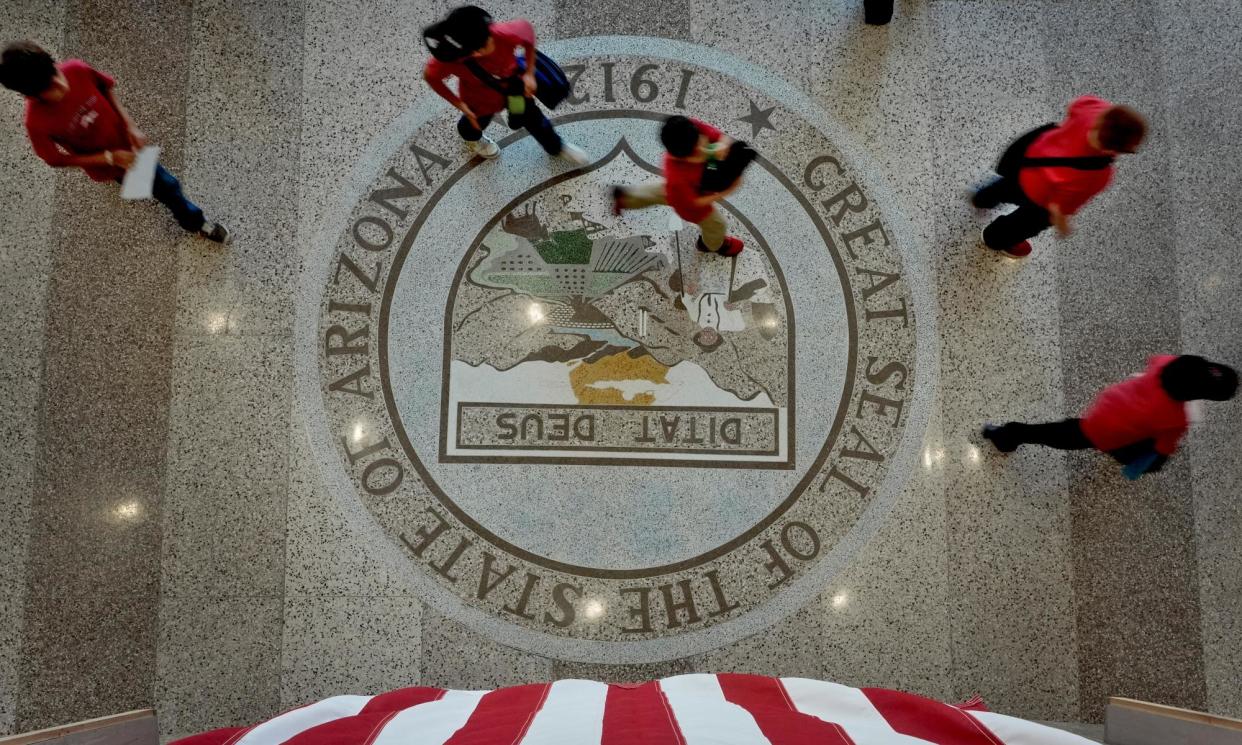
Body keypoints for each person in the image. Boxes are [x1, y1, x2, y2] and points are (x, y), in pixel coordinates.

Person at [1, 41, 229, 243]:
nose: (61, 85)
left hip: (125, 144)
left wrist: (129, 124)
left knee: (150, 184)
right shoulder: (36, 122)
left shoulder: (74, 69)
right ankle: (195, 222)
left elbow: (105, 87)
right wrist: (109, 158)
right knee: (168, 186)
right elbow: (54, 159)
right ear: (30, 94)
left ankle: (136, 185)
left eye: (55, 74)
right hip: (109, 162)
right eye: (50, 87)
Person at [982, 355, 1238, 478]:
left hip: (1109, 404)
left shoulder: (1165, 365)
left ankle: (1007, 434)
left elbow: (1155, 360)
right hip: (1105, 431)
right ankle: (1008, 435)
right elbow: (1164, 447)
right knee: (1060, 435)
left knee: (1064, 430)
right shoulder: (1174, 418)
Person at [972, 96, 1146, 258]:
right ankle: (994, 238)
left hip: (1029, 159)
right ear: (1111, 150)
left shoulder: (1094, 108)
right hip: (1040, 195)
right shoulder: (1097, 174)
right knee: (1024, 224)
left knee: (1004, 188)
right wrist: (1063, 226)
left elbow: (1073, 105)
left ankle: (982, 198)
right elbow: (1058, 207)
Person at [422, 5, 587, 165]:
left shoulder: (501, 34)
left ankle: (556, 147)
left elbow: (527, 33)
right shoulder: (452, 58)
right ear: (466, 50)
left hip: (514, 90)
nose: (485, 49)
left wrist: (529, 73)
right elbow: (431, 77)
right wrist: (460, 104)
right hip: (479, 100)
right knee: (474, 124)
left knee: (533, 118)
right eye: (478, 49)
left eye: (487, 41)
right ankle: (471, 138)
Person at [612, 115, 747, 257]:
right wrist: (726, 191)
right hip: (688, 204)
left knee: (656, 193)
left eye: (699, 138)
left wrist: (723, 145)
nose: (704, 142)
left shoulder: (687, 130)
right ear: (684, 156)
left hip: (676, 191)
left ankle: (626, 198)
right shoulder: (677, 176)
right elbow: (694, 203)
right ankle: (712, 245)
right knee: (717, 225)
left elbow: (717, 135)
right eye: (698, 146)